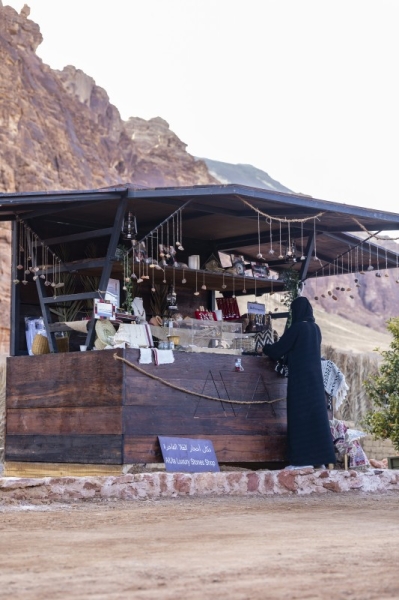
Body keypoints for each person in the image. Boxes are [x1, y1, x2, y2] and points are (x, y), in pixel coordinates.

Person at [262, 296, 336, 469]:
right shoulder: (315, 329)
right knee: (317, 420)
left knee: (299, 419)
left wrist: (264, 347)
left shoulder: (297, 328)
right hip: (316, 382)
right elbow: (301, 351)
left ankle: (301, 461)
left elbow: (278, 350)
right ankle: (320, 460)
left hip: (300, 381)